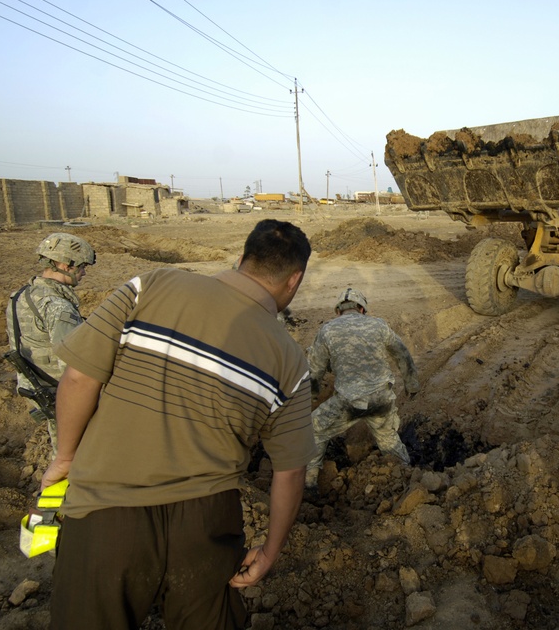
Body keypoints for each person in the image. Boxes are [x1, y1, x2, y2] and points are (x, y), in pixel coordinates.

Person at [41, 219, 315, 629]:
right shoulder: (290, 360)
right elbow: (290, 472)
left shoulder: (150, 286)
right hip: (206, 528)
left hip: (106, 516)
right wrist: (269, 551)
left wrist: (64, 458)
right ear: (294, 281)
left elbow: (80, 378)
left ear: (240, 259)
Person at [305, 287, 420, 490]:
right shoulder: (379, 325)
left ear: (338, 311)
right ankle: (409, 479)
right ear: (362, 309)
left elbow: (315, 371)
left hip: (349, 402)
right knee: (389, 440)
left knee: (315, 429)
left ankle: (310, 483)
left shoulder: (327, 330)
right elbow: (403, 355)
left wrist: (312, 398)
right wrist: (412, 385)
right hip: (381, 400)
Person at [5, 232, 95, 455]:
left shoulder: (23, 295)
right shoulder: (57, 307)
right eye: (81, 267)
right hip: (57, 392)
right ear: (64, 264)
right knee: (73, 453)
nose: (83, 273)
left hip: (36, 384)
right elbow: (73, 365)